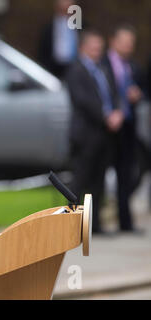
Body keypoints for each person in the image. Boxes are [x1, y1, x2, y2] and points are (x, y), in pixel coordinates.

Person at [66, 30, 121, 234]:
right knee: (80, 182)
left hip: (105, 135)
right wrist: (105, 116)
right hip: (85, 134)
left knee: (98, 183)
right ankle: (71, 226)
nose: (98, 50)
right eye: (93, 46)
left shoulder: (103, 69)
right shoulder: (76, 70)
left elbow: (113, 95)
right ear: (83, 47)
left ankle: (94, 225)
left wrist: (117, 112)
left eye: (100, 46)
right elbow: (82, 100)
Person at [101, 25, 144, 233]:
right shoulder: (101, 65)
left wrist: (138, 94)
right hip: (106, 128)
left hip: (127, 127)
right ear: (113, 41)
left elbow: (142, 88)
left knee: (127, 173)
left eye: (131, 43)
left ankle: (125, 222)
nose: (128, 47)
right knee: (98, 175)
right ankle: (95, 223)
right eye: (124, 42)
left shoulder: (133, 67)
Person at [38, 0, 79, 79]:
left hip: (76, 68)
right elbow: (42, 52)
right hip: (54, 69)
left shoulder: (81, 25)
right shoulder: (48, 28)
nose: (66, 11)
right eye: (63, 8)